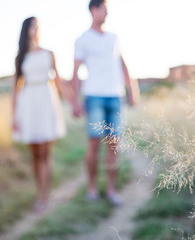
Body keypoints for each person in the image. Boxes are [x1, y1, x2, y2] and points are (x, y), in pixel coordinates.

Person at [71, 0, 140, 206]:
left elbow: (123, 65)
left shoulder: (113, 38)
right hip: (94, 97)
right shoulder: (82, 39)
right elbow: (75, 73)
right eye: (105, 9)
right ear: (94, 10)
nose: (107, 13)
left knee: (113, 145)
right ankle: (92, 189)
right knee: (93, 144)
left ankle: (110, 189)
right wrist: (75, 101)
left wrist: (132, 90)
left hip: (115, 97)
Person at [12, 17, 69, 212]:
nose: (35, 29)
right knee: (35, 154)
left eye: (37, 26)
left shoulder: (49, 53)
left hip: (46, 101)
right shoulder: (20, 57)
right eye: (32, 26)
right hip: (28, 104)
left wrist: (72, 100)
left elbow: (59, 81)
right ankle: (40, 192)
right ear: (26, 29)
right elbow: (15, 89)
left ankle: (45, 196)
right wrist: (14, 117)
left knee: (45, 153)